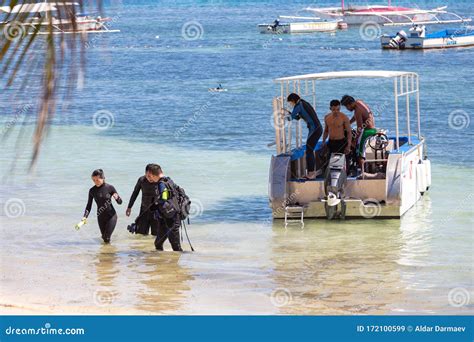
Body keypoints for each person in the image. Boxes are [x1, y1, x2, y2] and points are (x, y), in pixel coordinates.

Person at [287, 93, 323, 179]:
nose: (291, 104)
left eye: (290, 102)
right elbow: (298, 117)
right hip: (317, 129)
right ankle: (312, 172)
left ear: (293, 100)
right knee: (309, 150)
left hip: (314, 130)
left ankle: (311, 173)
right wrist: (290, 113)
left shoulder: (298, 105)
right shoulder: (304, 103)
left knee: (309, 151)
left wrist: (282, 115)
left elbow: (290, 118)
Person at [82, 169, 122, 243]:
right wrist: (85, 217)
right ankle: (106, 252)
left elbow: (120, 202)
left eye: (97, 180)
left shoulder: (110, 188)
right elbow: (89, 205)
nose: (95, 182)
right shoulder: (92, 191)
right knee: (104, 238)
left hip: (111, 216)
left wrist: (117, 198)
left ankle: (108, 253)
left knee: (106, 237)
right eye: (93, 180)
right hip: (100, 217)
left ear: (103, 178)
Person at [152, 165, 183, 252]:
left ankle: (177, 264)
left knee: (176, 247)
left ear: (153, 175)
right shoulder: (169, 180)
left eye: (150, 176)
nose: (150, 179)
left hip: (172, 219)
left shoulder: (161, 184)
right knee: (158, 243)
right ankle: (161, 263)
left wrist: (156, 202)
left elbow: (164, 197)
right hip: (166, 218)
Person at [341, 95, 377, 168]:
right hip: (373, 129)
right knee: (357, 146)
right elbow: (356, 117)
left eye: (346, 107)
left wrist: (355, 140)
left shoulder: (357, 111)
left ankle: (362, 173)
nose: (347, 109)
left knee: (359, 153)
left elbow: (360, 128)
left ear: (349, 104)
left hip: (367, 132)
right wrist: (349, 122)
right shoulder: (359, 102)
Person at [126, 164, 162, 236]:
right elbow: (135, 193)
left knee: (156, 235)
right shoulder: (141, 180)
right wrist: (129, 207)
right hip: (144, 211)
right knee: (140, 235)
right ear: (145, 173)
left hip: (156, 212)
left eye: (151, 176)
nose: (150, 178)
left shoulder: (160, 182)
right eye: (148, 176)